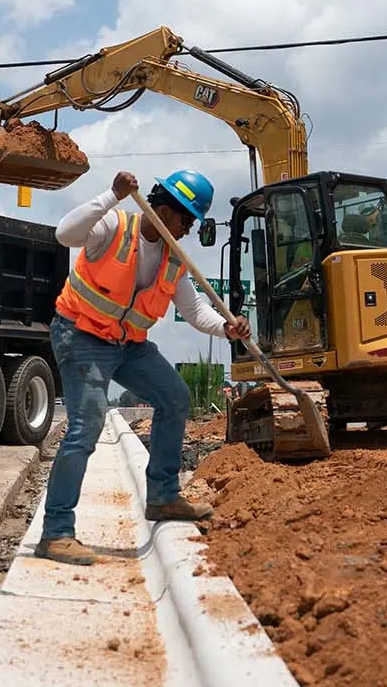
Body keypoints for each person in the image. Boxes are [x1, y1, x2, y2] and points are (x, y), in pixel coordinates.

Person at [36, 168, 251, 567]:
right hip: (81, 335)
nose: (187, 229)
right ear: (165, 209)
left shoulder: (174, 259)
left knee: (175, 397)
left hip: (128, 346)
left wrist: (226, 327)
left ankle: (164, 496)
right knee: (87, 423)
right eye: (186, 219)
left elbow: (193, 310)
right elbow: (65, 234)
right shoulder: (114, 225)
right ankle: (56, 533)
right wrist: (112, 195)